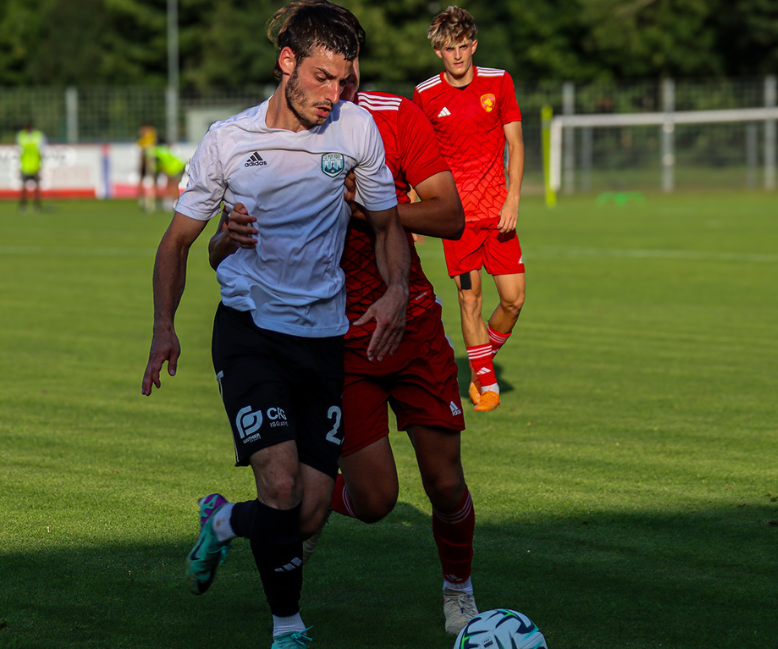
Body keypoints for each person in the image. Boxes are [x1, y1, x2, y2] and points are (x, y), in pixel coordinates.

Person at [140, 4, 410, 647]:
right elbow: (179, 243)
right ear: (286, 63)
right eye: (321, 77)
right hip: (250, 330)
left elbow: (386, 226)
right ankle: (288, 628)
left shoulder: (357, 131)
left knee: (310, 509)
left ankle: (225, 522)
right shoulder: (228, 142)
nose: (333, 94)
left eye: (343, 81)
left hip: (323, 336)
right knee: (282, 481)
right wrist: (163, 327)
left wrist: (397, 288)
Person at [212, 2, 478, 633]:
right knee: (377, 500)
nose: (340, 81)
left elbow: (449, 216)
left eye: (350, 62)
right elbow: (225, 245)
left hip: (408, 321)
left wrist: (374, 210)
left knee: (444, 481)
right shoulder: (273, 133)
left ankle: (459, 590)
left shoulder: (392, 117)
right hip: (337, 339)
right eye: (329, 69)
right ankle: (278, 511)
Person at [412, 6, 525, 411]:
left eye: (462, 46)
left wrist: (512, 198)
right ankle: (487, 385)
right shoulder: (425, 94)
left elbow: (516, 144)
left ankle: (481, 360)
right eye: (448, 48)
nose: (457, 55)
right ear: (438, 52)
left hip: (499, 216)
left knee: (513, 299)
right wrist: (414, 209)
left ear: (473, 45)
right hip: (456, 220)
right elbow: (416, 155)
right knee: (469, 300)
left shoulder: (499, 81)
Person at [17, 121, 45, 213]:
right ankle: (23, 205)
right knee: (23, 187)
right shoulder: (21, 136)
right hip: (25, 165)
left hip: (35, 165)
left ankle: (37, 205)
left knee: (37, 187)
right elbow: (19, 151)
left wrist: (41, 165)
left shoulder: (38, 135)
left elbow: (41, 150)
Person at [151, 139, 185, 211]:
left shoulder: (155, 152)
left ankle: (174, 202)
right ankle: (173, 202)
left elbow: (162, 166)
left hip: (175, 168)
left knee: (173, 185)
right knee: (172, 185)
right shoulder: (159, 150)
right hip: (178, 165)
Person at [137, 124, 159, 212]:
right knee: (149, 180)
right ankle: (147, 201)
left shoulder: (148, 137)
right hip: (148, 160)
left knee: (150, 180)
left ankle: (148, 201)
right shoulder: (148, 138)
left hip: (149, 159)